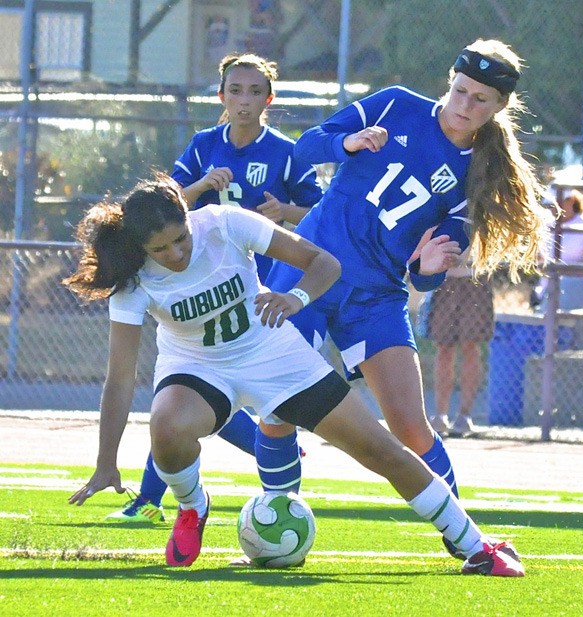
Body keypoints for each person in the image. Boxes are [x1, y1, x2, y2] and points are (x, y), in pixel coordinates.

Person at [65, 173, 524, 577]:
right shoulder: (131, 278)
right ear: (139, 247)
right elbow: (120, 379)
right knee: (166, 428)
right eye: (160, 249)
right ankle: (192, 507)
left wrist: (296, 299)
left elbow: (324, 263)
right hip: (197, 366)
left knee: (381, 449)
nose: (176, 253)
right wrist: (106, 461)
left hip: (271, 352)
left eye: (180, 238)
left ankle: (477, 546)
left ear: (188, 215)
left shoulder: (225, 222)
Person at [266, 38, 549, 557]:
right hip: (308, 268)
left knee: (411, 427)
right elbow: (305, 147)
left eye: (481, 99)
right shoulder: (395, 102)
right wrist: (346, 145)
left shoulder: (478, 177)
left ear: (499, 108)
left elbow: (423, 280)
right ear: (450, 79)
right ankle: (277, 523)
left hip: (376, 296)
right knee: (278, 406)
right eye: (462, 90)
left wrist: (430, 269)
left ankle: (464, 539)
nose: (466, 105)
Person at [107, 53, 324, 523]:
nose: (243, 101)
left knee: (251, 399)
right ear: (221, 96)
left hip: (264, 291)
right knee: (185, 394)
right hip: (201, 289)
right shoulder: (204, 144)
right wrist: (202, 183)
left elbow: (321, 218)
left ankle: (274, 473)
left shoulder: (287, 152)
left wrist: (286, 212)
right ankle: (155, 499)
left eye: (253, 92)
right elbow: (162, 210)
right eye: (234, 91)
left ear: (269, 99)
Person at [427, 253, 494, 437]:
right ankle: (440, 415)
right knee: (443, 348)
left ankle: (464, 415)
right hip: (445, 279)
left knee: (470, 347)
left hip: (476, 279)